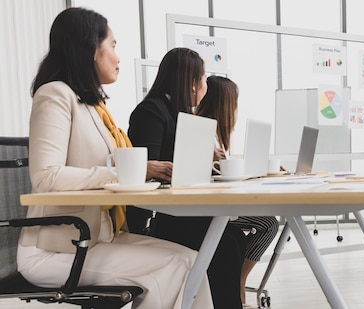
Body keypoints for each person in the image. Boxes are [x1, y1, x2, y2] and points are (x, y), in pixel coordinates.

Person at [17, 7, 211, 309]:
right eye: (113, 45)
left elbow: (106, 169)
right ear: (91, 49)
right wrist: (123, 173)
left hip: (99, 237)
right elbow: (46, 177)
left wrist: (136, 172)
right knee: (171, 267)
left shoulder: (93, 107)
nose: (118, 57)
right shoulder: (54, 95)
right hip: (55, 250)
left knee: (193, 262)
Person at [126, 47, 247, 308]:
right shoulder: (152, 111)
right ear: (192, 83)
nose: (206, 84)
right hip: (160, 216)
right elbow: (146, 169)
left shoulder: (178, 114)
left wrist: (208, 160)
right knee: (226, 248)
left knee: (234, 240)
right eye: (203, 79)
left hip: (180, 210)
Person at [196, 75, 280, 306]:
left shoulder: (216, 133)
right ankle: (240, 281)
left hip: (220, 203)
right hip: (210, 208)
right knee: (268, 224)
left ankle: (239, 280)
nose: (236, 107)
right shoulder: (202, 130)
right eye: (235, 101)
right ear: (225, 102)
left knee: (268, 224)